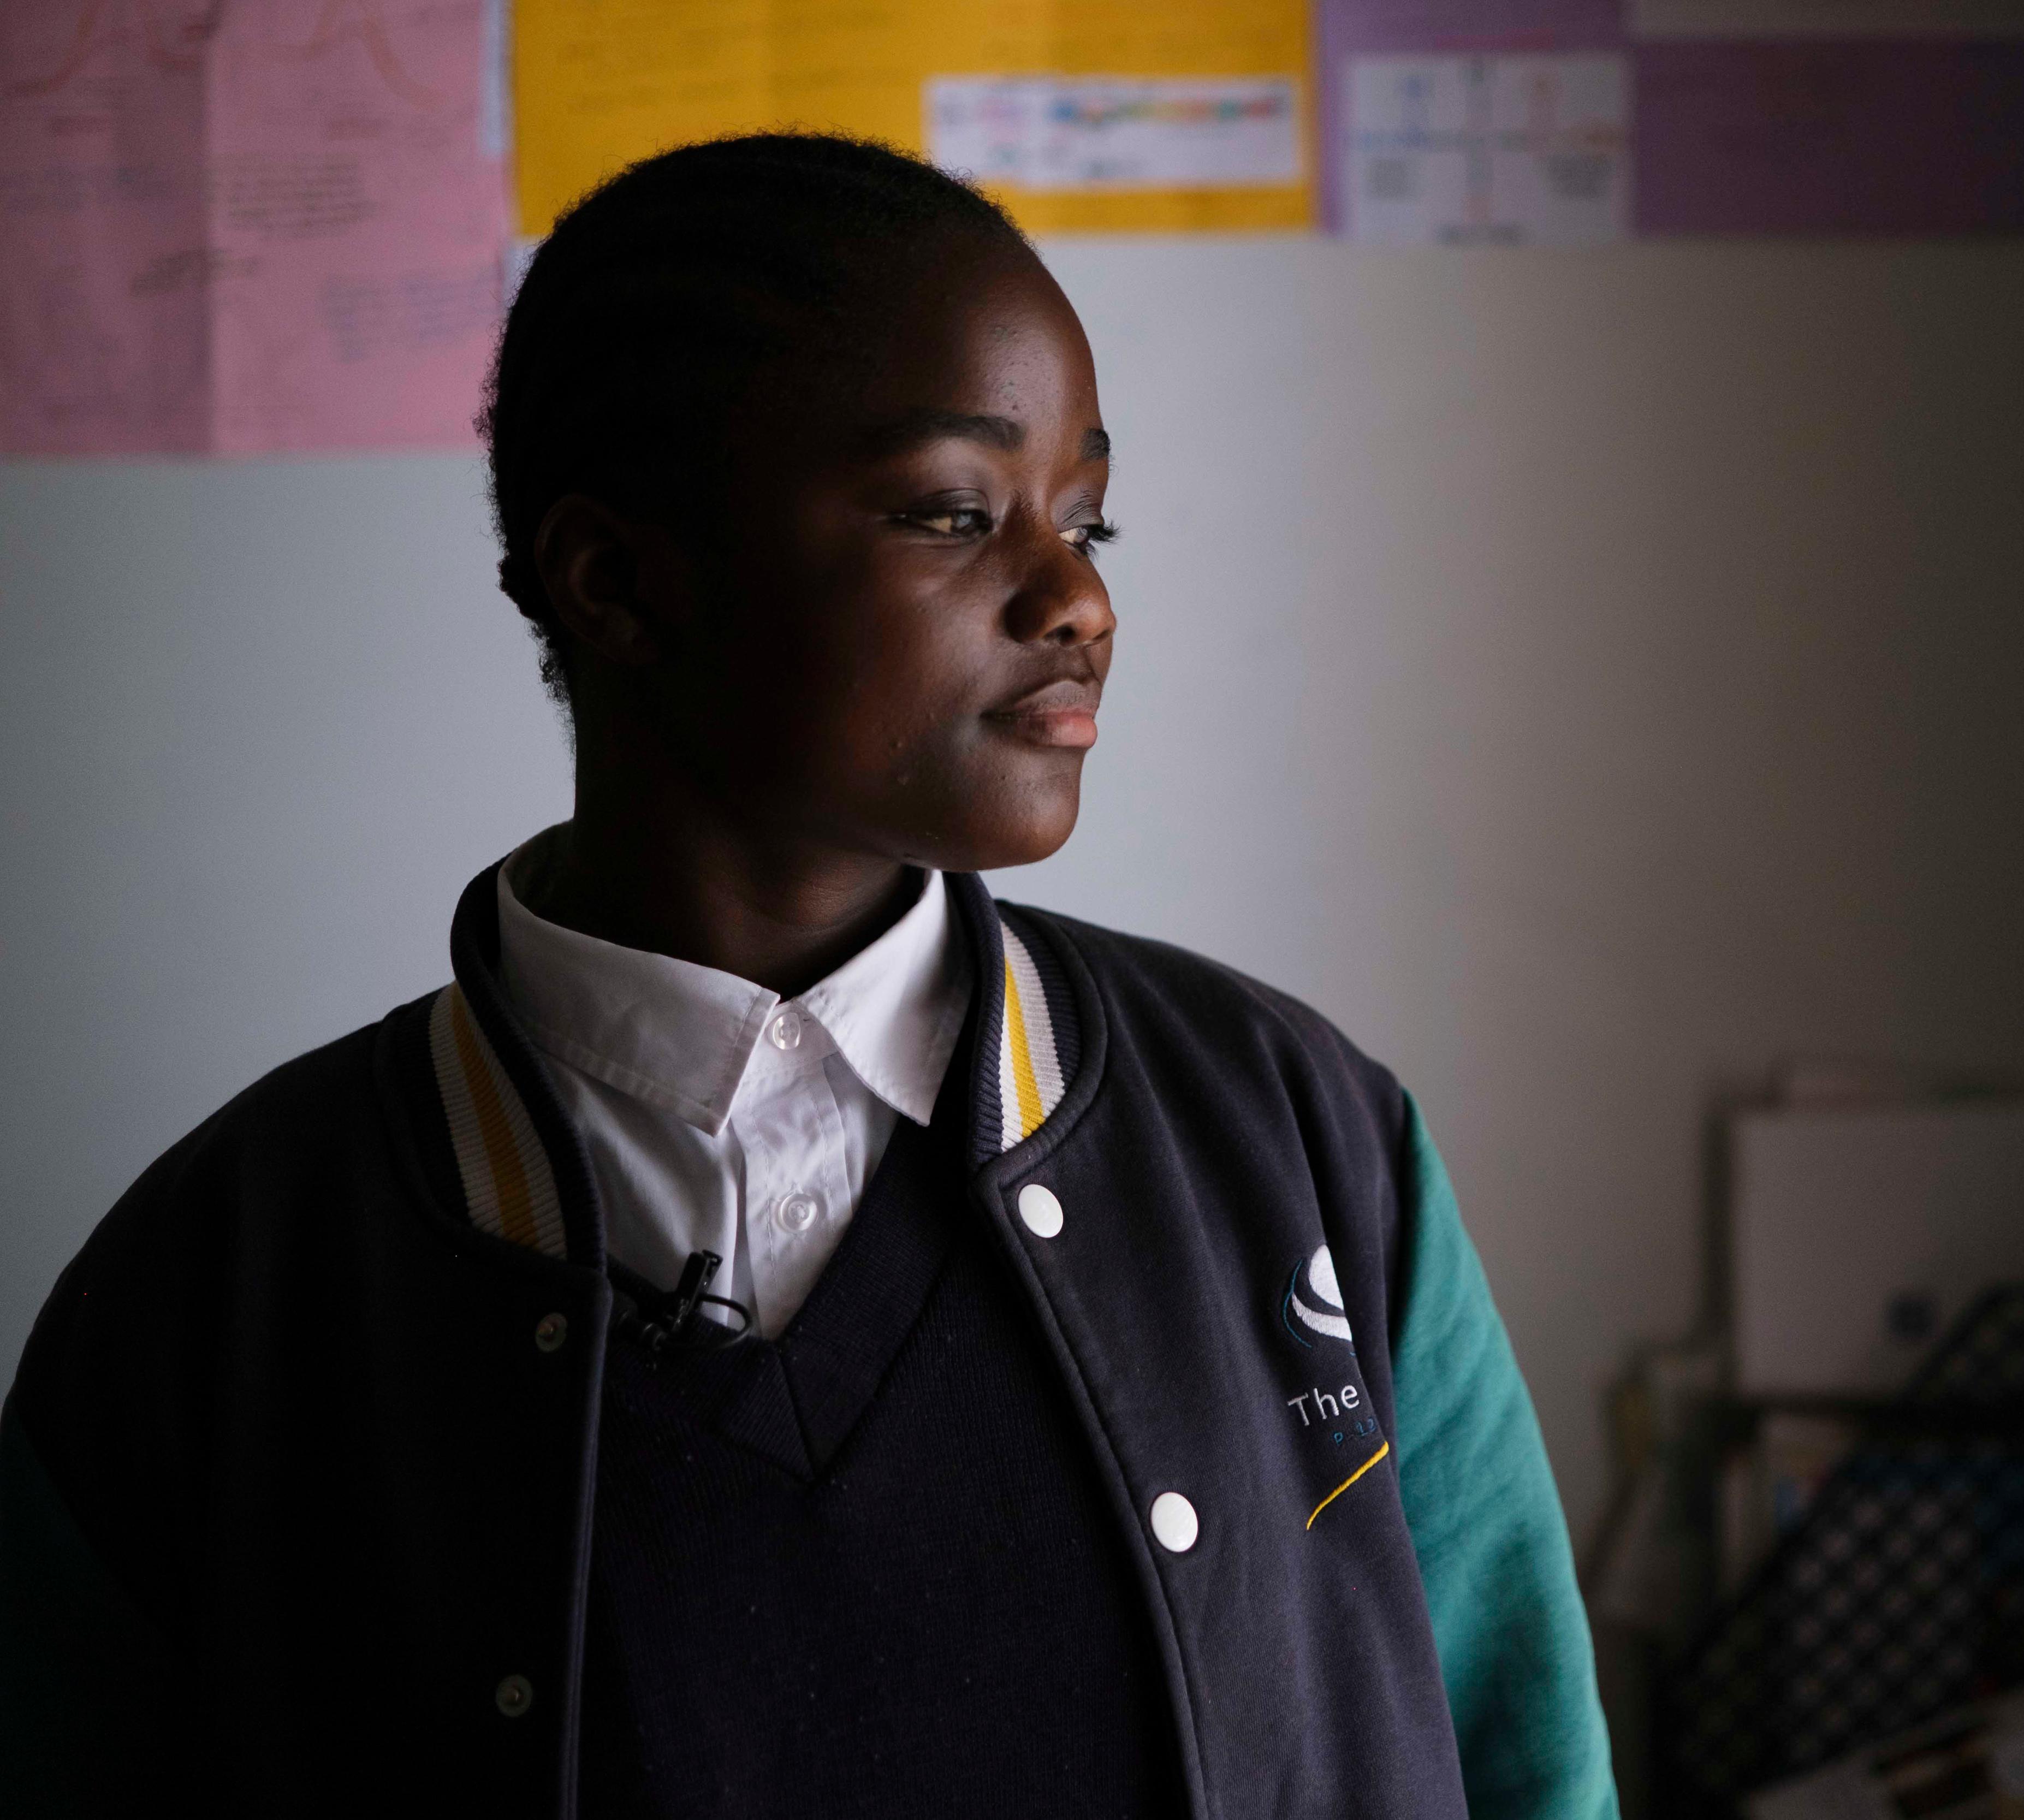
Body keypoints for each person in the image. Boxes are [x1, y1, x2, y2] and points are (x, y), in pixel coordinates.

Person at [0, 135, 1614, 1818]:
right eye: (952, 512)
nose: (1078, 599)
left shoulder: (1291, 1139)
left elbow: (1529, 1760)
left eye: (1088, 518)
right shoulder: (223, 1288)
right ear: (617, 579)